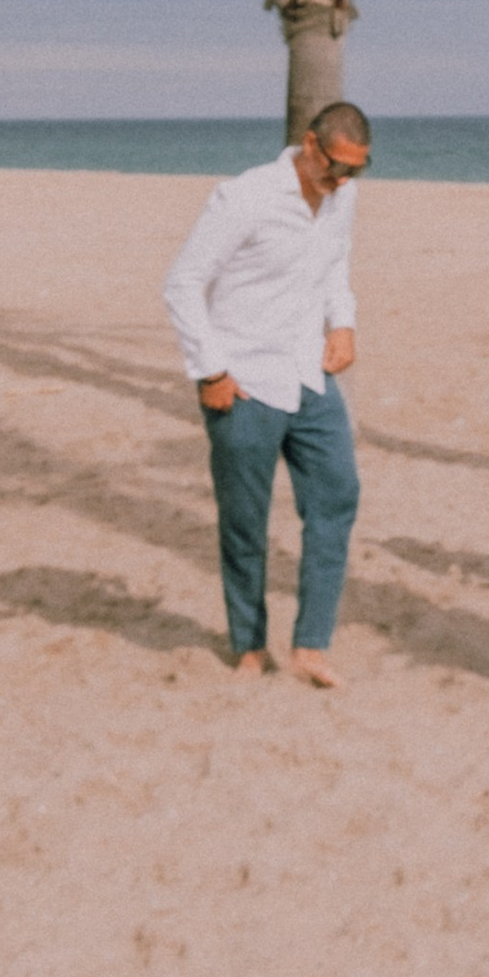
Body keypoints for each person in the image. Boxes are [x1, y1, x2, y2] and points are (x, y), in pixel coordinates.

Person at [163, 100, 372, 685]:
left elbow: (335, 266)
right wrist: (210, 372)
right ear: (309, 146)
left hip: (311, 376)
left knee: (337, 497)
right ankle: (249, 646)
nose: (343, 180)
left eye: (357, 170)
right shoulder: (246, 197)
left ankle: (310, 646)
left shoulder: (343, 198)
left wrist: (344, 323)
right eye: (335, 167)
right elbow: (182, 282)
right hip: (244, 382)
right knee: (245, 522)